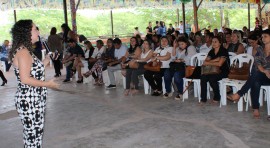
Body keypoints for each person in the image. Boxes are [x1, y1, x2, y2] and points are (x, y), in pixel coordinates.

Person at [9, 20, 59, 148]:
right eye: (35, 29)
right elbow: (25, 79)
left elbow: (34, 70)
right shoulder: (23, 52)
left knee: (33, 135)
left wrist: (48, 59)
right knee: (33, 136)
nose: (38, 32)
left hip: (33, 98)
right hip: (29, 99)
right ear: (27, 33)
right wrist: (48, 84)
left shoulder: (26, 50)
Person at [228, 30, 270, 119]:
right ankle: (255, 108)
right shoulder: (260, 49)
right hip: (262, 75)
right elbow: (257, 63)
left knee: (255, 76)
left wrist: (266, 71)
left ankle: (239, 94)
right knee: (256, 79)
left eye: (265, 36)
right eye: (262, 37)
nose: (263, 39)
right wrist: (265, 71)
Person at [200, 36, 229, 104]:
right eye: (212, 42)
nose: (213, 43)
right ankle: (203, 99)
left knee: (212, 78)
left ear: (220, 43)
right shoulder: (211, 51)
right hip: (212, 70)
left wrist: (210, 62)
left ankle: (217, 96)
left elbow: (220, 64)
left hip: (223, 71)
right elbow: (205, 62)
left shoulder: (223, 50)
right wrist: (216, 60)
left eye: (215, 42)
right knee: (203, 77)